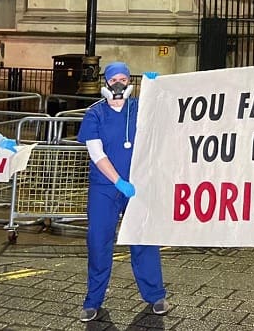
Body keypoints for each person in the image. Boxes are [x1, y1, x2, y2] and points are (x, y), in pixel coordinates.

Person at [76, 62, 168, 322]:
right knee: (98, 241)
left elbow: (164, 114)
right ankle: (93, 300)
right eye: (114, 78)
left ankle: (155, 295)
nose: (119, 83)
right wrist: (118, 181)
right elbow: (96, 153)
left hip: (137, 186)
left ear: (129, 82)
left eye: (124, 79)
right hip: (105, 188)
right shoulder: (95, 114)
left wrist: (156, 88)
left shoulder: (139, 108)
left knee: (144, 239)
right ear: (106, 82)